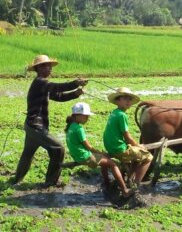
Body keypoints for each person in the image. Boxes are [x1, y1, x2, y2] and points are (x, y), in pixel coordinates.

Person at [12, 55, 87, 188]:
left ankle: (16, 180)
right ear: (38, 68)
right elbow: (57, 87)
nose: (50, 68)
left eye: (50, 66)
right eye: (46, 66)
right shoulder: (40, 82)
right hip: (36, 126)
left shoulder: (43, 85)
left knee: (27, 154)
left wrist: (76, 93)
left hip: (31, 125)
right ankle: (51, 181)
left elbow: (59, 96)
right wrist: (76, 83)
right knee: (58, 149)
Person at [65, 102, 134, 198]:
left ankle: (107, 183)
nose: (87, 119)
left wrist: (101, 154)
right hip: (84, 156)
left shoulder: (71, 126)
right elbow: (88, 147)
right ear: (77, 116)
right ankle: (125, 190)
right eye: (86, 116)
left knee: (104, 160)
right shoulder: (79, 129)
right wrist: (100, 152)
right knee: (113, 164)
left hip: (77, 155)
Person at [103, 87, 153, 189]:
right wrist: (139, 145)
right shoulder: (122, 115)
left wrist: (135, 146)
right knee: (148, 157)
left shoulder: (114, 112)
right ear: (117, 100)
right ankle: (136, 185)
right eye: (125, 98)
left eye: (130, 99)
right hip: (119, 149)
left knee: (136, 156)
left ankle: (129, 179)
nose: (128, 101)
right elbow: (127, 137)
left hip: (111, 147)